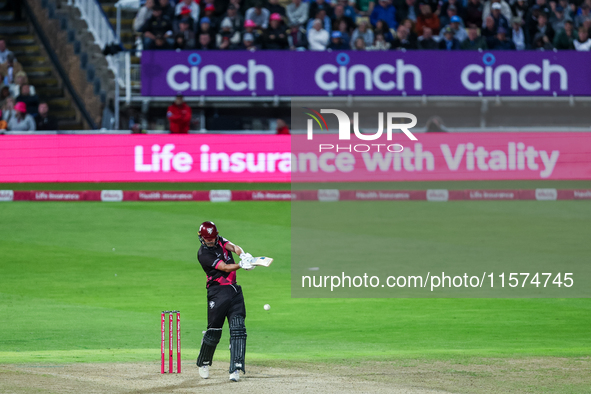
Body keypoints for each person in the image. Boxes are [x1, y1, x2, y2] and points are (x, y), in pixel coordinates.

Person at [195, 221, 254, 382]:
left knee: (238, 329)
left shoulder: (219, 239)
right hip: (217, 293)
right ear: (201, 237)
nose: (212, 241)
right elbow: (225, 268)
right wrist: (242, 265)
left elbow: (234, 247)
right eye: (208, 239)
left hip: (234, 291)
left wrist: (243, 255)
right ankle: (204, 362)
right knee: (214, 332)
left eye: (213, 238)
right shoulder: (203, 254)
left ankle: (235, 368)